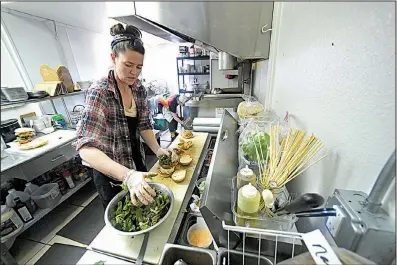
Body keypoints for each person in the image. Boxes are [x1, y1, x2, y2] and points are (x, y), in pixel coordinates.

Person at [73, 23, 170, 208]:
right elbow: (85, 147)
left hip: (136, 163)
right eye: (128, 65)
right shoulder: (100, 92)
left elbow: (143, 124)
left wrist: (157, 149)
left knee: (146, 210)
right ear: (113, 58)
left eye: (139, 67)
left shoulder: (138, 88)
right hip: (111, 173)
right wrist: (127, 175)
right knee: (123, 216)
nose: (134, 72)